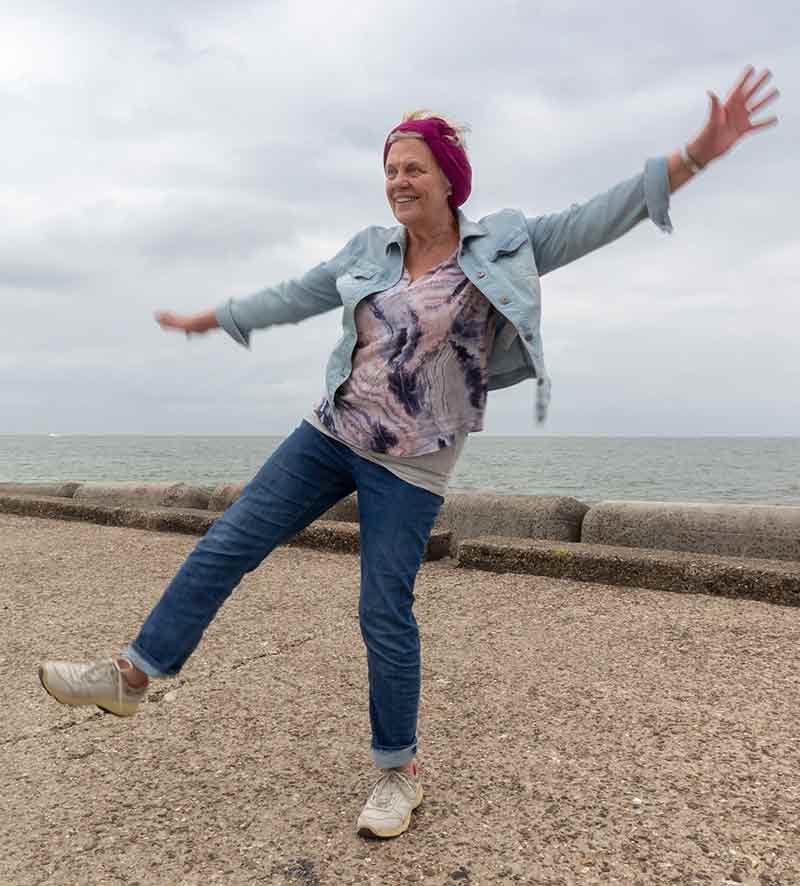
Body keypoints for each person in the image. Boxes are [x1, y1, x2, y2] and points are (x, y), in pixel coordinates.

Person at [39, 65, 779, 839]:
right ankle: (131, 675)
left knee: (383, 612)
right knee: (226, 542)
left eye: (412, 168)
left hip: (412, 463)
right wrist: (212, 319)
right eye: (390, 170)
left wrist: (698, 152)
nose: (398, 181)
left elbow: (604, 213)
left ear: (447, 179)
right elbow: (297, 291)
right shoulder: (371, 249)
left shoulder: (510, 245)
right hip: (329, 433)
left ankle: (397, 772)